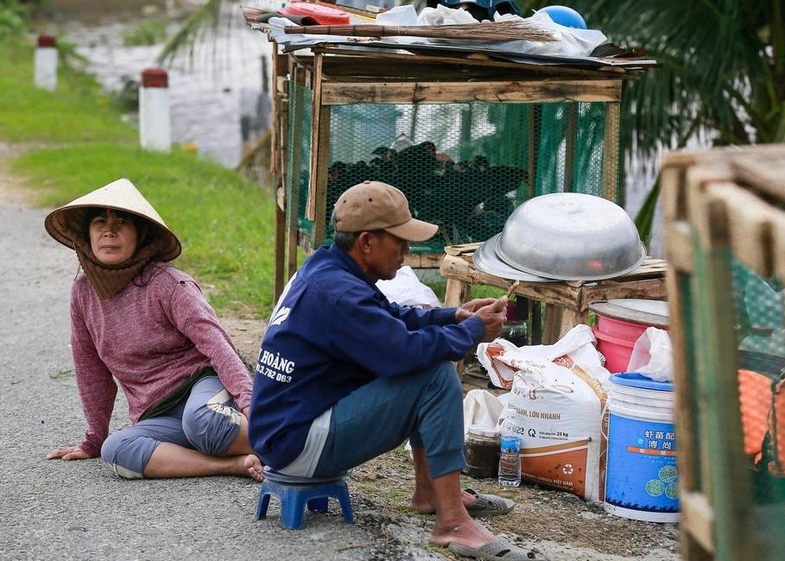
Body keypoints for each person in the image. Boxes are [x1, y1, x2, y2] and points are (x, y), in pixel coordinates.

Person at [250, 181, 547, 560]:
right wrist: (472, 331)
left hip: (285, 430)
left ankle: (430, 493)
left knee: (424, 367)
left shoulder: (327, 267)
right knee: (434, 374)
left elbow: (387, 318)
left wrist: (454, 316)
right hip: (297, 443)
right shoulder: (340, 293)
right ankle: (452, 522)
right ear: (366, 242)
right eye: (400, 241)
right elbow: (404, 353)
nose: (406, 251)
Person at [44, 178, 260, 481]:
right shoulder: (82, 294)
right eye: (99, 222)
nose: (109, 231)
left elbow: (217, 344)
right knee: (115, 449)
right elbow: (90, 368)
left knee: (201, 420)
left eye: (122, 223)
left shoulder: (168, 284)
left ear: (141, 235)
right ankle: (233, 465)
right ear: (87, 235)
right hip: (158, 415)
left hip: (204, 391)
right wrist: (94, 438)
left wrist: (249, 402)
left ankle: (291, 448)